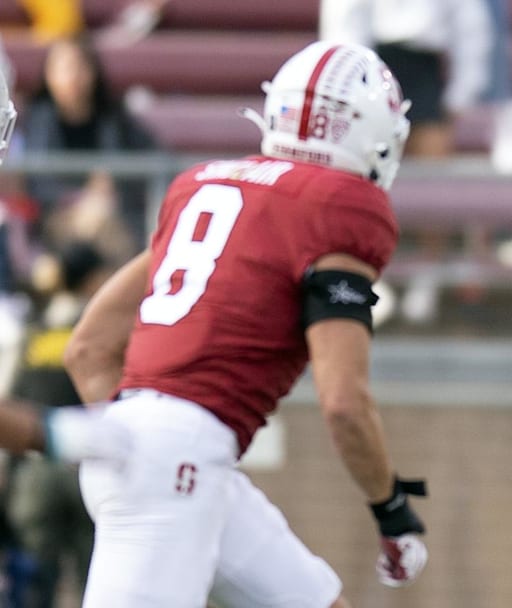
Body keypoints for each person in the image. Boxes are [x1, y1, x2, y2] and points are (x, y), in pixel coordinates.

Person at [0, 41, 431, 608]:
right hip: (175, 461)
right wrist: (391, 506)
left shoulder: (204, 185)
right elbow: (344, 403)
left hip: (169, 454)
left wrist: (142, 436)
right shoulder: (341, 208)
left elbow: (88, 348)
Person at [320, 0, 493, 325]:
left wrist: (462, 91)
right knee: (366, 179)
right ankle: (370, 274)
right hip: (372, 67)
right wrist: (349, 85)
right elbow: (344, 17)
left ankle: (426, 273)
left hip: (425, 68)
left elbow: (471, 24)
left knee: (433, 178)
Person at [4, 241, 108, 608]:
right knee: (97, 578)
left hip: (34, 468)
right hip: (90, 465)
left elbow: (12, 397)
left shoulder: (36, 326)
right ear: (93, 279)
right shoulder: (101, 327)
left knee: (34, 581)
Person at [21, 33, 158, 264]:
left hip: (115, 216)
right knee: (98, 220)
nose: (72, 77)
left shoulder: (114, 117)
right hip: (53, 222)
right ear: (48, 74)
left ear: (93, 72)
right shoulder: (36, 119)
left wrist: (115, 182)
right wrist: (83, 197)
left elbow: (157, 157)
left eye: (79, 67)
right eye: (64, 68)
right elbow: (37, 183)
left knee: (102, 221)